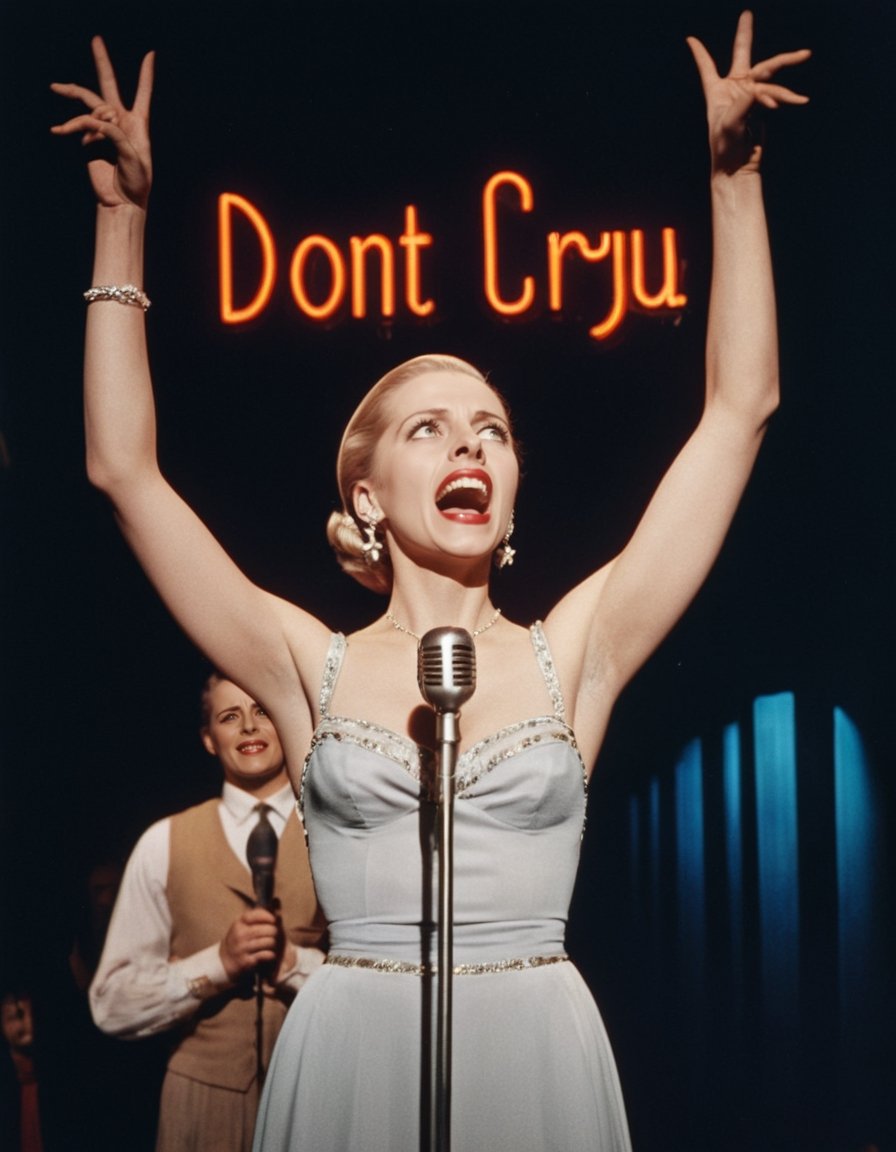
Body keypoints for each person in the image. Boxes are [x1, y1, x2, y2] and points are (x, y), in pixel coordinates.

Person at [51, 12, 810, 1150]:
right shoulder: (305, 661)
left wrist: (734, 183)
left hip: (532, 1050)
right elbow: (124, 472)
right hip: (351, 1050)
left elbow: (736, 410)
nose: (468, 446)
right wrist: (121, 223)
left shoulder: (576, 647)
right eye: (429, 429)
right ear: (364, 493)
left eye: (491, 430)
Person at [88, 674, 326, 1152]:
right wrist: (217, 966)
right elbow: (111, 1003)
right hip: (201, 1101)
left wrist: (294, 966)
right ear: (208, 740)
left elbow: (385, 973)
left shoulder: (333, 837)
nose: (248, 727)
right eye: (229, 717)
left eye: (262, 710)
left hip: (313, 1091)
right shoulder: (164, 842)